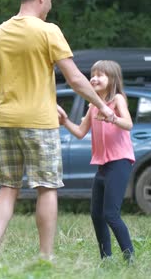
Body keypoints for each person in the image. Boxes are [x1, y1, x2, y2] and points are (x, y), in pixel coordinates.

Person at [0, 0, 114, 261]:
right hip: (38, 121)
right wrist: (102, 107)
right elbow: (77, 80)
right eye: (50, 1)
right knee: (47, 187)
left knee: (8, 186)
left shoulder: (0, 31)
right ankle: (45, 256)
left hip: (4, 118)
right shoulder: (48, 31)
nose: (50, 7)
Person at [57, 60, 135, 263]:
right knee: (96, 214)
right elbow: (81, 133)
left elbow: (128, 124)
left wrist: (113, 118)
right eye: (92, 74)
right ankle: (106, 259)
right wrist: (65, 121)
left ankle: (129, 258)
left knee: (111, 214)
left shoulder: (117, 99)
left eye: (100, 75)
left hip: (120, 162)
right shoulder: (93, 105)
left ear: (113, 79)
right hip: (103, 166)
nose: (94, 78)